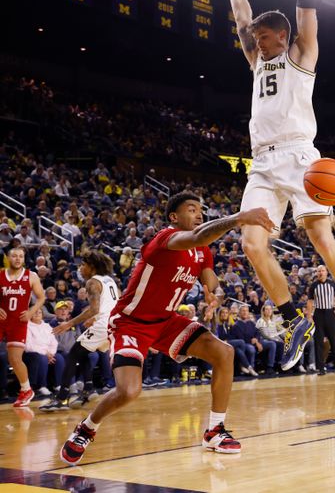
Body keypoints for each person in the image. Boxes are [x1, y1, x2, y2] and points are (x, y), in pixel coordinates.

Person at [227, 0, 335, 370]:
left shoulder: (302, 54)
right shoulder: (258, 61)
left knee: (321, 238)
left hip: (299, 156)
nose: (256, 42)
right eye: (254, 38)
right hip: (261, 163)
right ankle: (293, 321)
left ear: (281, 35)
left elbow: (307, 4)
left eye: (263, 37)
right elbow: (240, 17)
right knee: (252, 244)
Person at [59, 192, 274, 465]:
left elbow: (211, 279)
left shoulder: (202, 251)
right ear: (174, 217)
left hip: (167, 322)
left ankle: (215, 430)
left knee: (224, 352)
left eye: (200, 210)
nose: (199, 214)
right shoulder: (164, 239)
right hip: (131, 323)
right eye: (192, 209)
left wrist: (215, 295)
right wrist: (238, 218)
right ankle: (86, 428)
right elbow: (198, 236)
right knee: (129, 391)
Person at [42, 251, 119, 411]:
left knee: (72, 355)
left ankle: (62, 398)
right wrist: (95, 318)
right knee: (82, 350)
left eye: (83, 265)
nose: (81, 268)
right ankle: (89, 389)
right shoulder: (110, 280)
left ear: (91, 267)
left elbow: (94, 308)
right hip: (114, 323)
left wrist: (68, 323)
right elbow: (114, 303)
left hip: (103, 324)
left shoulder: (92, 282)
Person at [0, 246, 46, 407]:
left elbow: (41, 297)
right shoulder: (0, 275)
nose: (18, 259)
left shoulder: (31, 276)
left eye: (21, 256)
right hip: (1, 320)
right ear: (8, 257)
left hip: (18, 321)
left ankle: (26, 390)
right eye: (14, 256)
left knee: (15, 358)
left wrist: (31, 311)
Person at [307, 265, 335, 375]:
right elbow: (310, 301)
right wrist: (309, 316)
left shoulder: (332, 284)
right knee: (319, 342)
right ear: (316, 273)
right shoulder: (313, 286)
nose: (321, 273)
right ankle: (321, 368)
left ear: (326, 272)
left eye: (322, 270)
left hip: (330, 313)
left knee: (334, 341)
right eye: (319, 271)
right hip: (318, 314)